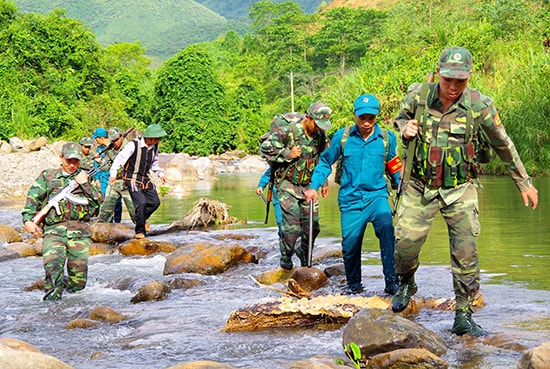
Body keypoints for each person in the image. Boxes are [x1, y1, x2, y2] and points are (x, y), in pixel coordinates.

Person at [391, 46, 539, 336]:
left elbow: (503, 144)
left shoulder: (479, 105)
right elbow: (398, 120)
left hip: (460, 188)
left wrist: (524, 183)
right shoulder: (419, 96)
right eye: (448, 80)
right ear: (438, 73)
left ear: (469, 76)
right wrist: (404, 128)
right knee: (405, 245)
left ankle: (464, 312)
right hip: (419, 186)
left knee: (466, 253)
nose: (454, 87)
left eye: (460, 80)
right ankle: (407, 281)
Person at [305, 94, 401, 295]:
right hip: (351, 200)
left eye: (371, 118)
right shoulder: (343, 137)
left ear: (377, 117)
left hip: (377, 197)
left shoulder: (386, 138)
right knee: (350, 246)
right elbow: (325, 162)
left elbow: (394, 164)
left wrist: (402, 184)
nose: (366, 123)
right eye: (362, 118)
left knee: (387, 230)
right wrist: (314, 186)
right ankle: (354, 287)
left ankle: (392, 283)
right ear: (355, 116)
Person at [22, 142, 103, 301]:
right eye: (68, 161)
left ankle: (73, 311)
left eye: (76, 161)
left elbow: (99, 202)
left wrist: (85, 184)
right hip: (54, 232)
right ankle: (51, 310)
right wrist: (28, 220)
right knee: (53, 270)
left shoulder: (86, 178)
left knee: (78, 281)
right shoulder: (48, 176)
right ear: (61, 158)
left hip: (80, 234)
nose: (72, 165)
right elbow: (33, 198)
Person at [260, 102, 332, 270]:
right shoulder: (288, 131)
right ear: (308, 118)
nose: (319, 128)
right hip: (288, 185)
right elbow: (265, 149)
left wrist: (324, 182)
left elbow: (323, 158)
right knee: (291, 228)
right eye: (317, 124)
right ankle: (286, 257)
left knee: (312, 227)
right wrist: (288, 154)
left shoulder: (320, 136)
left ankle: (306, 260)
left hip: (309, 187)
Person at [109, 124, 167, 239]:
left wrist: (161, 174)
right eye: (157, 138)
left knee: (155, 202)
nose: (158, 140)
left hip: (145, 178)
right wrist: (113, 174)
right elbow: (120, 159)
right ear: (150, 137)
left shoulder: (154, 147)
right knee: (141, 203)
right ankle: (140, 231)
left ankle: (140, 219)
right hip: (131, 179)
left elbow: (154, 164)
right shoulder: (133, 145)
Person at [98, 127, 136, 224]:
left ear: (121, 137)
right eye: (113, 140)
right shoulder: (110, 150)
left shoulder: (130, 147)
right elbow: (104, 168)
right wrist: (99, 162)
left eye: (116, 139)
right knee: (106, 208)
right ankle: (103, 226)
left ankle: (141, 226)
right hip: (114, 182)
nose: (115, 142)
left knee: (133, 209)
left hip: (128, 181)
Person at [255, 166, 283, 234]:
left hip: (297, 197)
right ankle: (283, 241)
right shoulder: (278, 163)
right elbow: (267, 175)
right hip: (278, 198)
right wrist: (261, 186)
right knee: (281, 222)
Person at [91, 127, 111, 195]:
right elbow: (96, 165)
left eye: (96, 138)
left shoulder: (113, 147)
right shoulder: (99, 149)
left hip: (112, 178)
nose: (95, 141)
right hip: (103, 179)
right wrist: (97, 179)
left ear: (101, 138)